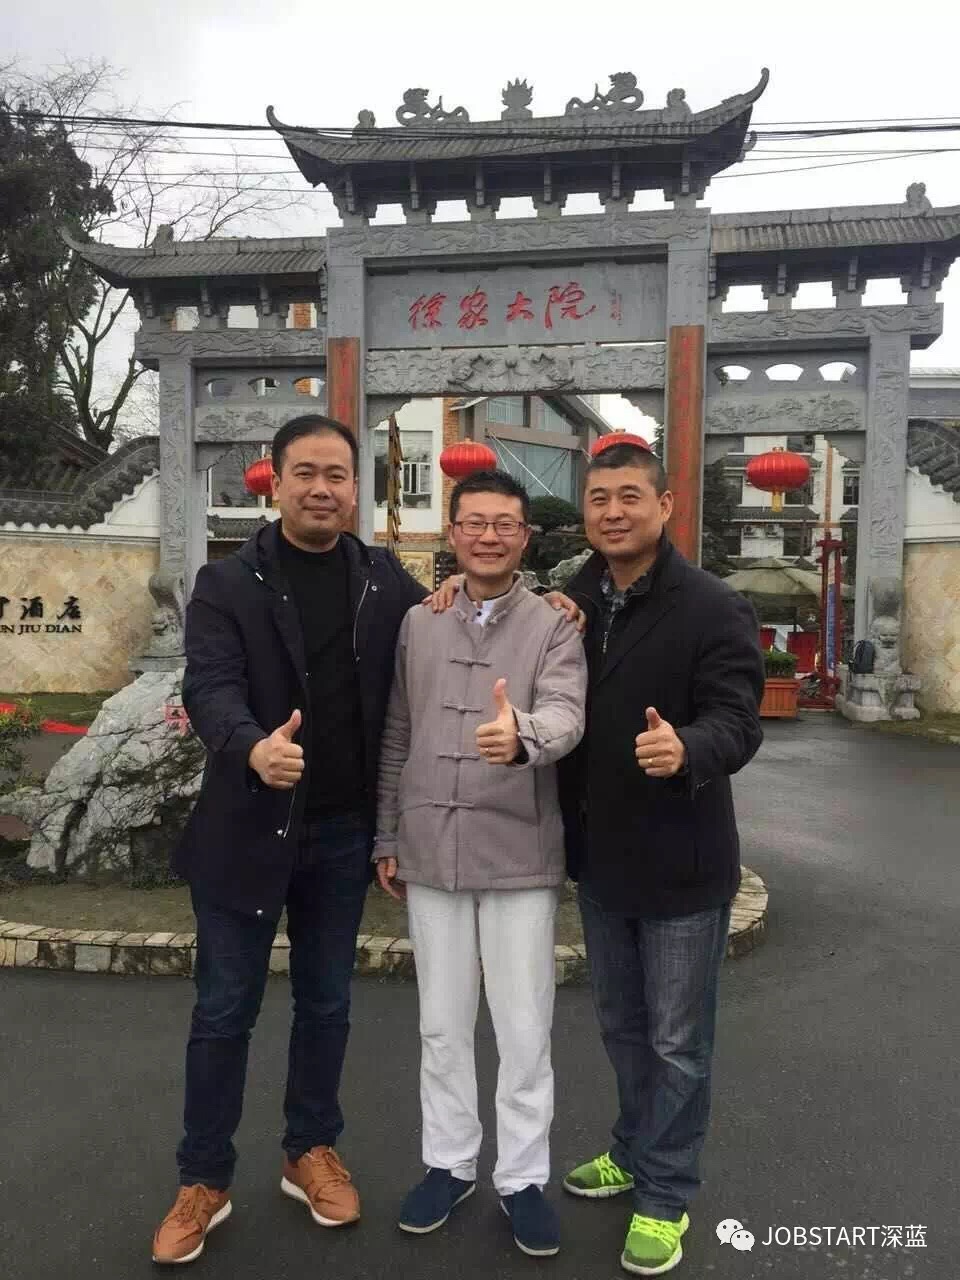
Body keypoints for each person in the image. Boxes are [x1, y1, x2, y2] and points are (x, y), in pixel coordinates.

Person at [151, 414, 431, 1265]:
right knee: (223, 1010)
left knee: (327, 1002)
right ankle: (203, 1179)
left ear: (355, 487)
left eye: (337, 474)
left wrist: (552, 601)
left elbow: (457, 626)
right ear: (274, 481)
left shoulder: (385, 581)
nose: (322, 489)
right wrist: (250, 747)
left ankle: (309, 1149)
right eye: (305, 472)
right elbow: (209, 686)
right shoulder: (228, 583)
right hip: (246, 826)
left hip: (341, 833)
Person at [557, 442, 764, 1276]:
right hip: (601, 860)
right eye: (599, 498)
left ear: (665, 505)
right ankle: (633, 1147)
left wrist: (688, 748)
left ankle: (666, 1192)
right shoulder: (574, 600)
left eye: (629, 496)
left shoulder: (712, 606)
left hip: (682, 862)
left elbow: (739, 720)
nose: (613, 512)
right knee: (622, 1027)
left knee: (678, 1041)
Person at [375, 470, 587, 1259]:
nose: (489, 536)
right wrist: (386, 835)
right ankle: (449, 1162)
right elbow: (398, 731)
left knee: (524, 1026)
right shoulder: (419, 621)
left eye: (505, 524)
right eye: (474, 522)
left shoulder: (554, 624)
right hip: (431, 846)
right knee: (441, 1022)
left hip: (519, 852)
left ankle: (522, 1177)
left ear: (525, 537)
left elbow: (567, 712)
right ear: (453, 532)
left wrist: (521, 733)